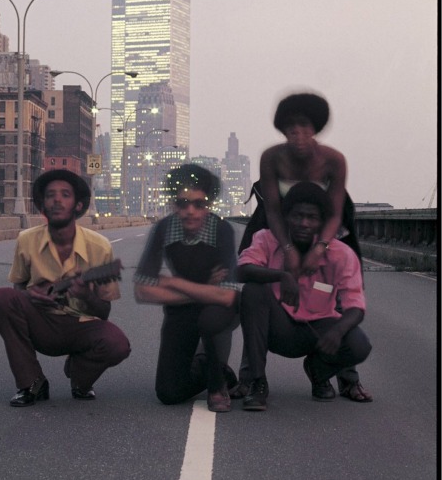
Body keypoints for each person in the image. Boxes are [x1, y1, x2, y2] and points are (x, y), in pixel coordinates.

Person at [231, 91, 372, 403]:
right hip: (281, 224)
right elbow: (272, 210)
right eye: (291, 129)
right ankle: (250, 377)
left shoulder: (333, 160)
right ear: (283, 131)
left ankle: (346, 377)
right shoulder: (272, 157)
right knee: (254, 289)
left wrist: (321, 247)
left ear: (316, 129)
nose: (298, 135)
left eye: (305, 127)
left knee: (336, 293)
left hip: (326, 226)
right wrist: (288, 249)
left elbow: (334, 212)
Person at [0, 169, 131, 406]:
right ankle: (32, 383)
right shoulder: (26, 240)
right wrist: (32, 296)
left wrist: (85, 295)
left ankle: (80, 379)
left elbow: (104, 313)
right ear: (42, 205)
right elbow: (17, 292)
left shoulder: (99, 247)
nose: (56, 200)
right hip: (40, 322)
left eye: (65, 195)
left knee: (117, 344)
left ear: (77, 205)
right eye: (50, 195)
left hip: (79, 325)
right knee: (1, 298)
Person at [237, 182, 372, 411]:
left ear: (322, 222)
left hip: (316, 330)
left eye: (311, 218)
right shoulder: (266, 238)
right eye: (297, 216)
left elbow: (355, 305)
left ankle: (319, 372)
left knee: (358, 344)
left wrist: (338, 332)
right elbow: (241, 270)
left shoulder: (340, 253)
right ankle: (257, 382)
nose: (303, 224)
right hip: (278, 328)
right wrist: (281, 276)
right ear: (285, 216)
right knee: (253, 291)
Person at [134, 164, 239, 413]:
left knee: (210, 318)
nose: (190, 211)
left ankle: (217, 385)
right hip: (184, 310)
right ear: (173, 204)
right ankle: (213, 368)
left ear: (208, 205)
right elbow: (142, 290)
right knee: (168, 393)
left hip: (218, 310)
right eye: (182, 203)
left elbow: (226, 295)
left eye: (198, 204)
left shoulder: (222, 230)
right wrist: (204, 289)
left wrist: (173, 281)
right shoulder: (164, 228)